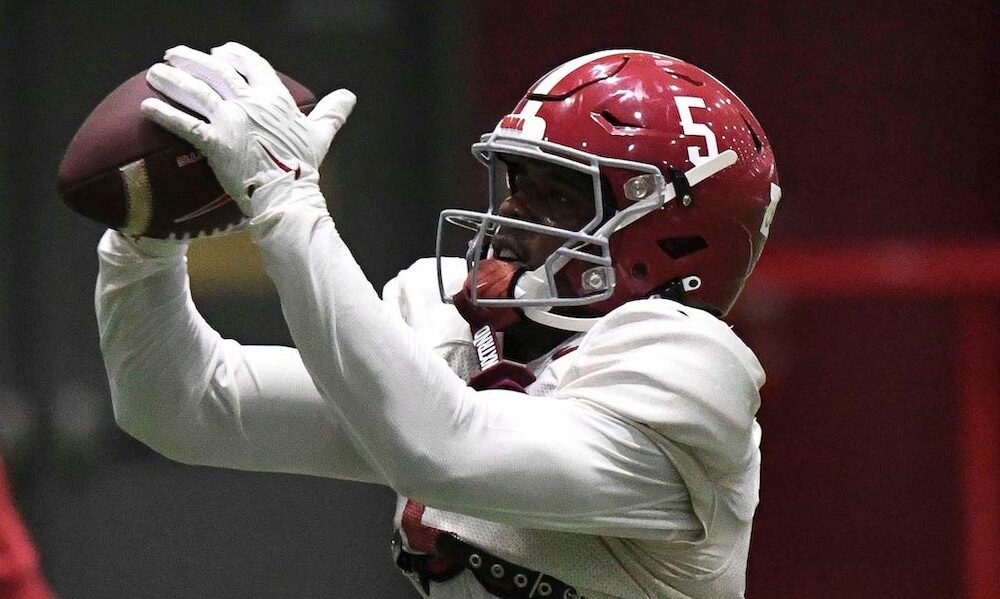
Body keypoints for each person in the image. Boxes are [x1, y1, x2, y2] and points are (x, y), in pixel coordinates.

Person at [96, 42, 780, 598]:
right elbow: (182, 402)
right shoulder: (459, 328)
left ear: (671, 238)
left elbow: (446, 449)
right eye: (519, 182)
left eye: (560, 195)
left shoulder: (685, 369)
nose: (511, 214)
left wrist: (284, 200)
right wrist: (147, 243)